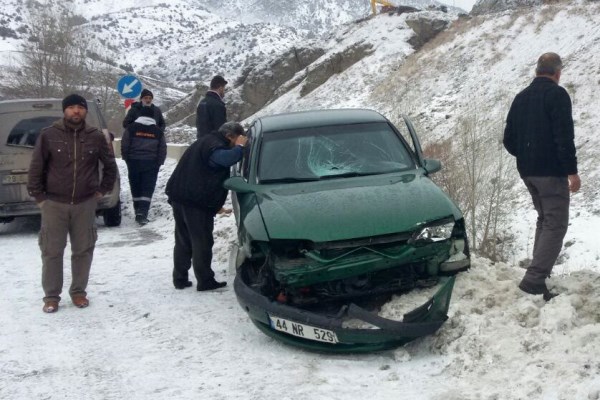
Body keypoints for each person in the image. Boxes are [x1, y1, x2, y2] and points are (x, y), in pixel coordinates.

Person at [27, 94, 118, 313]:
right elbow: (36, 168)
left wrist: (101, 190)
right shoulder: (49, 135)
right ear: (64, 111)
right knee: (52, 251)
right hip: (54, 203)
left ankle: (78, 292)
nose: (76, 111)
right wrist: (40, 198)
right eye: (71, 107)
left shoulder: (95, 137)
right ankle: (51, 296)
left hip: (85, 204)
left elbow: (110, 166)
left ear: (85, 111)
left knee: (83, 250)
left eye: (80, 107)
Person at [503, 52, 581, 301]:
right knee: (555, 224)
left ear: (537, 71)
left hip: (528, 172)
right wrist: (572, 172)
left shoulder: (521, 97)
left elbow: (508, 140)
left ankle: (538, 274)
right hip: (551, 172)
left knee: (544, 219)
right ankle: (534, 280)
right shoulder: (557, 95)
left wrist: (527, 156)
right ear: (557, 73)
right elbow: (564, 137)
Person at [165, 122, 247, 291]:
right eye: (236, 139)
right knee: (201, 240)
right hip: (195, 201)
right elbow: (225, 159)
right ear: (230, 136)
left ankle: (180, 278)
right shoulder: (215, 145)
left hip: (180, 196)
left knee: (183, 239)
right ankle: (205, 280)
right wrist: (240, 148)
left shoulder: (206, 140)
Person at [121, 106, 167, 225]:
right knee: (148, 187)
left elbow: (125, 143)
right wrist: (159, 162)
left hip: (133, 161)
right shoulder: (158, 131)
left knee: (135, 185)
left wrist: (126, 158)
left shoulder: (131, 128)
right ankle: (143, 212)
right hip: (151, 163)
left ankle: (137, 209)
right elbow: (162, 148)